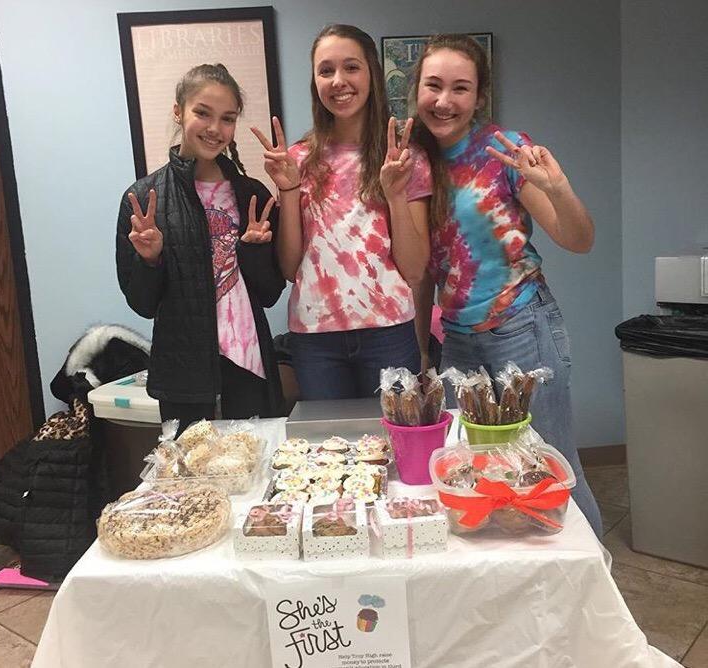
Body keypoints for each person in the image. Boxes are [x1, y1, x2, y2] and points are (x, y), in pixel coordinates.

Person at [411, 34, 602, 536]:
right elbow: (425, 272)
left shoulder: (504, 150)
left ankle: (589, 598)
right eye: (433, 85)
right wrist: (421, 350)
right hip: (457, 341)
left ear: (479, 96)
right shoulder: (411, 163)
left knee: (553, 476)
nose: (444, 100)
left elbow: (577, 239)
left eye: (460, 88)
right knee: (476, 481)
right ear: (416, 90)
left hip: (522, 327)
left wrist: (559, 189)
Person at [251, 24, 432, 400]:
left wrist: (395, 194)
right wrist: (287, 187)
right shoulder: (298, 160)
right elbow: (289, 268)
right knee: (328, 454)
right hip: (316, 340)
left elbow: (415, 269)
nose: (338, 81)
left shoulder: (405, 158)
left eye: (351, 67)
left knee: (395, 449)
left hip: (389, 333)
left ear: (372, 75)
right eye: (326, 70)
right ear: (315, 81)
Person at [116, 64, 285, 433]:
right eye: (202, 113)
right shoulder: (145, 199)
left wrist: (253, 252)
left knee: (258, 472)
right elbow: (142, 305)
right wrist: (150, 260)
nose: (215, 129)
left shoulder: (251, 194)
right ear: (179, 111)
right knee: (191, 483)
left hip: (248, 363)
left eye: (227, 118)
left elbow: (271, 294)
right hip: (183, 374)